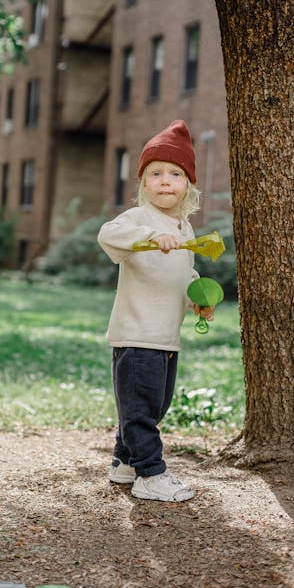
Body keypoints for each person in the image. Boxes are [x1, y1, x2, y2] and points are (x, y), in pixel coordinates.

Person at [97, 120, 215, 502]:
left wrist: (196, 297)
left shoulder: (185, 229)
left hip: (167, 335)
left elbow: (184, 271)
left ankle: (124, 462)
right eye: (156, 173)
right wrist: (149, 236)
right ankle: (151, 473)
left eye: (175, 174)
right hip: (136, 333)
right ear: (143, 184)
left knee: (154, 405)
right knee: (141, 409)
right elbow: (108, 234)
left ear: (188, 185)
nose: (166, 181)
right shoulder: (139, 220)